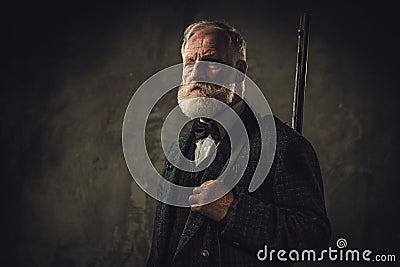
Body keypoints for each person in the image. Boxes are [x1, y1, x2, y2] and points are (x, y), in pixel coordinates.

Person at [147, 21, 331, 267]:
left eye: (211, 62)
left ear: (239, 70)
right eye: (190, 62)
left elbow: (313, 238)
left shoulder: (284, 145)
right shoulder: (181, 143)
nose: (197, 73)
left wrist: (233, 211)